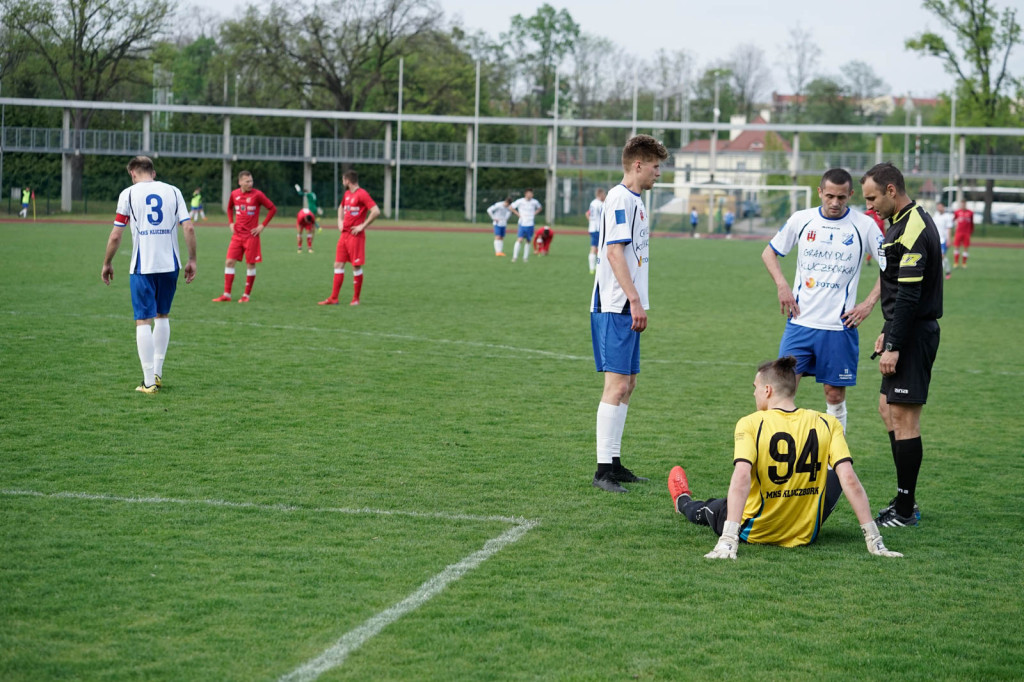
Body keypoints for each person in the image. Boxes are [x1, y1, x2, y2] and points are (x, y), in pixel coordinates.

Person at [667, 356, 903, 560]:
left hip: (756, 530)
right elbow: (849, 480)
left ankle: (682, 501)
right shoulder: (827, 422)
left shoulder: (750, 423)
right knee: (837, 474)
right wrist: (875, 539)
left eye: (755, 387)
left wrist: (729, 538)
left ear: (767, 390)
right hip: (804, 533)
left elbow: (741, 477)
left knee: (711, 508)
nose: (753, 393)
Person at [760, 168, 883, 433]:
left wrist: (868, 303)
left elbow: (891, 268)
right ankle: (780, 457)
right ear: (820, 193)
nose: (835, 203)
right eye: (829, 196)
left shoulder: (865, 226)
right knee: (781, 392)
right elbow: (769, 253)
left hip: (839, 328)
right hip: (800, 324)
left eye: (841, 197)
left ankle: (833, 462)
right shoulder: (802, 220)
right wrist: (782, 286)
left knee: (835, 397)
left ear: (850, 194)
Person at [861, 162, 942, 528]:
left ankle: (906, 510)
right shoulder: (900, 222)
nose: (870, 206)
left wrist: (894, 342)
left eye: (873, 197)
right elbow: (897, 291)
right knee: (887, 409)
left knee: (905, 419)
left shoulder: (912, 228)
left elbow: (909, 295)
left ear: (891, 190)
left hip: (914, 333)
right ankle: (902, 497)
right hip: (901, 329)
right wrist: (886, 329)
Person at [590, 134, 668, 493]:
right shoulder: (621, 199)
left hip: (627, 304)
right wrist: (634, 300)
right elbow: (614, 253)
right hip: (615, 305)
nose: (658, 174)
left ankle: (615, 462)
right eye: (655, 167)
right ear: (638, 165)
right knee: (616, 385)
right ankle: (602, 471)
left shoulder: (635, 200)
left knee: (629, 384)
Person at [101, 156, 197, 394]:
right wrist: (192, 259)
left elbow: (115, 235)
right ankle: (158, 373)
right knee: (162, 316)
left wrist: (107, 263)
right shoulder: (174, 191)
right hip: (170, 264)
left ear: (133, 174)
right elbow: (189, 227)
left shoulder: (129, 194)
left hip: (143, 265)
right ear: (153, 172)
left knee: (143, 319)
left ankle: (148, 382)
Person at [212, 171, 276, 303]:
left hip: (251, 236)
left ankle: (246, 295)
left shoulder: (257, 195)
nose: (250, 184)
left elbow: (272, 208)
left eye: (251, 181)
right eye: (247, 181)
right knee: (229, 262)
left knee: (250, 264)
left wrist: (262, 226)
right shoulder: (234, 194)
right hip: (237, 235)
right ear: (240, 182)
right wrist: (231, 222)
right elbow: (229, 208)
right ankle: (227, 295)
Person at [319, 169, 379, 306]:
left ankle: (356, 299)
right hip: (344, 235)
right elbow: (341, 207)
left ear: (347, 180)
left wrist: (362, 226)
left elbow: (376, 211)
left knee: (356, 266)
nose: (342, 182)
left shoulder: (362, 194)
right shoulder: (347, 194)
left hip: (355, 236)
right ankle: (334, 298)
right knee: (338, 264)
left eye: (343, 180)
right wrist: (339, 221)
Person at [509, 189, 542, 263]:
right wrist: (518, 214)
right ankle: (515, 257)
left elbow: (540, 208)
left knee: (528, 240)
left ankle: (525, 258)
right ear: (525, 194)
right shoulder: (520, 201)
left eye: (531, 194)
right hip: (522, 223)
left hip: (530, 223)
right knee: (520, 239)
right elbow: (511, 207)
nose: (530, 195)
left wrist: (534, 214)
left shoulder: (534, 202)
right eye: (529, 193)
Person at [586, 188, 606, 273]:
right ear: (600, 194)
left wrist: (591, 222)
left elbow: (587, 214)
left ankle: (593, 268)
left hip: (592, 228)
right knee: (599, 248)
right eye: (604, 194)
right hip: (598, 229)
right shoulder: (600, 204)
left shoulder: (592, 203)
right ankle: (596, 268)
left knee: (595, 247)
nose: (605, 196)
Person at [934, 202, 954, 279]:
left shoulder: (947, 217)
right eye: (938, 207)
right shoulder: (936, 216)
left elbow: (949, 229)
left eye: (940, 207)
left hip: (943, 240)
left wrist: (949, 239)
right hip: (936, 239)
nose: (939, 208)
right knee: (939, 257)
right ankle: (948, 271)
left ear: (943, 207)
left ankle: (939, 274)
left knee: (941, 256)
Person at [952, 200, 974, 269]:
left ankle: (964, 263)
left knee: (965, 248)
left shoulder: (970, 213)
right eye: (962, 204)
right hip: (958, 232)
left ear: (966, 205)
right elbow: (953, 220)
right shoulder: (957, 212)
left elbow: (972, 223)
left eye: (964, 204)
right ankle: (956, 263)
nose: (963, 205)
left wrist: (971, 231)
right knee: (956, 247)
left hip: (966, 233)